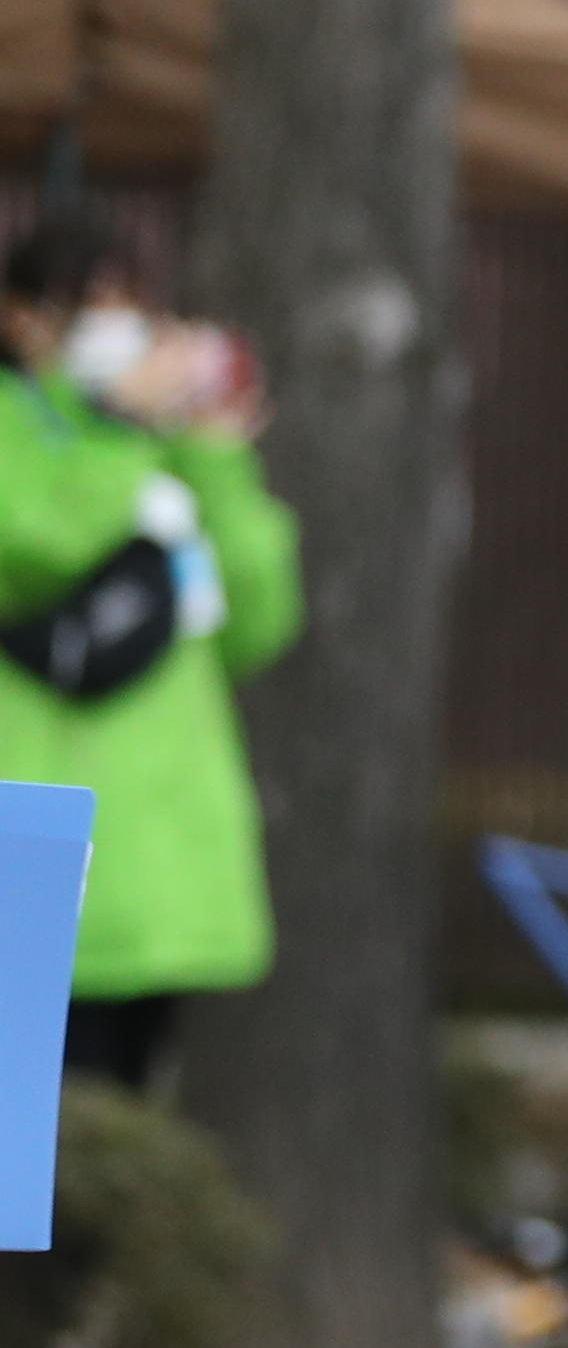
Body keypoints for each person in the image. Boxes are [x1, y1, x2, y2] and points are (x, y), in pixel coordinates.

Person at [0, 215, 294, 1095]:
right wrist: (114, 423)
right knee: (22, 1163)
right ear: (20, 320)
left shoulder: (170, 451)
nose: (119, 334)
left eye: (134, 308)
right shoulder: (32, 436)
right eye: (87, 306)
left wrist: (218, 462)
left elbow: (257, 621)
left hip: (162, 850)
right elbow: (38, 544)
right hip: (35, 837)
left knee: (118, 1155)